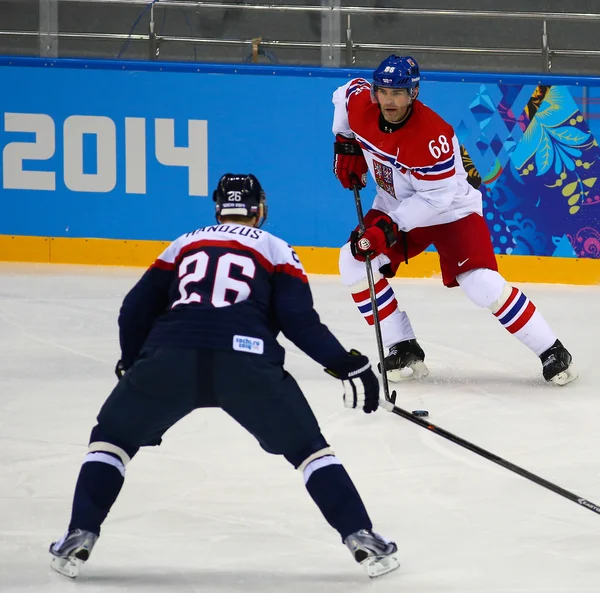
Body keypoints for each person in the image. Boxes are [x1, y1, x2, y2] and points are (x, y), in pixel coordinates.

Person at [48, 174, 400, 580]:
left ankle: (79, 533)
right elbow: (299, 322)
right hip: (247, 364)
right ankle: (362, 536)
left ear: (219, 207)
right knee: (309, 451)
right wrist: (349, 365)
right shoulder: (276, 248)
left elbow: (133, 310)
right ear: (260, 209)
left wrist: (133, 364)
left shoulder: (185, 243)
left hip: (170, 356)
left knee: (111, 440)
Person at [332, 55, 577, 386]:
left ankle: (551, 349)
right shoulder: (364, 105)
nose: (388, 100)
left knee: (480, 283)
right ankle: (402, 345)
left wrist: (387, 227)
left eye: (398, 92)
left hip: (451, 212)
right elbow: (344, 92)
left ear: (414, 93)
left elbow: (436, 199)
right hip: (395, 205)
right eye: (383, 91)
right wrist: (345, 144)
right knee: (352, 260)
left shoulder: (434, 136)